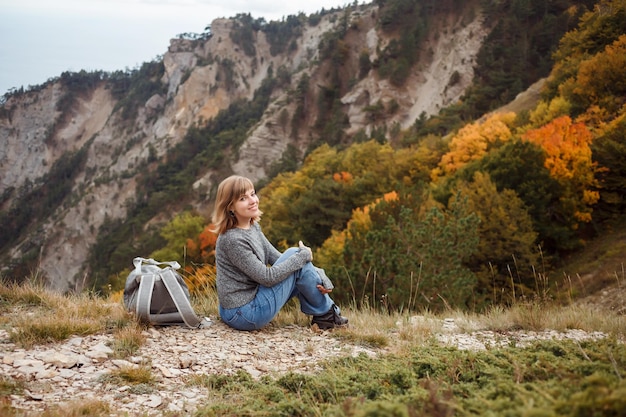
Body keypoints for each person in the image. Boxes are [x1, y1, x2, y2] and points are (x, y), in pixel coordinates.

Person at [211, 175, 348, 331]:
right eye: (243, 198)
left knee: (295, 259)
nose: (253, 200)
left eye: (253, 194)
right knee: (295, 255)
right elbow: (267, 278)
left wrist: (318, 272)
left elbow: (278, 259)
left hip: (248, 305)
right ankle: (327, 314)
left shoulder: (252, 227)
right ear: (230, 207)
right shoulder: (232, 240)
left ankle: (326, 315)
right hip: (243, 314)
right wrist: (302, 256)